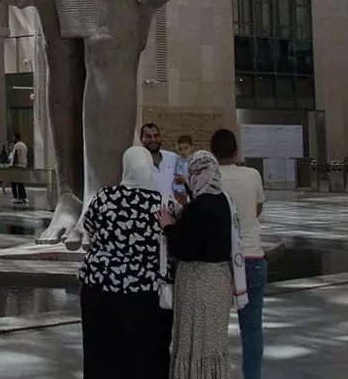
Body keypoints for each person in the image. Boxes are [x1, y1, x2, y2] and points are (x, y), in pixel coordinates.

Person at [78, 146, 171, 378]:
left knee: (101, 353)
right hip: (146, 292)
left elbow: (89, 228)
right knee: (144, 357)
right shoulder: (163, 203)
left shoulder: (105, 197)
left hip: (100, 287)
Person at [162, 151, 245, 379]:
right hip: (219, 281)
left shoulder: (198, 208)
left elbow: (185, 250)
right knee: (213, 343)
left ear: (194, 174)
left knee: (194, 342)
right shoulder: (225, 201)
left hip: (197, 284)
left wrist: (168, 226)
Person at [212, 129, 265, 379]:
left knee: (215, 328)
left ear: (212, 152)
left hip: (220, 261)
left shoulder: (209, 178)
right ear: (236, 150)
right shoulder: (252, 175)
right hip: (251, 255)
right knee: (252, 328)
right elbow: (257, 209)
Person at [140, 123, 183, 201]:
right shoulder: (138, 161)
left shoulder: (173, 157)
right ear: (141, 139)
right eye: (148, 137)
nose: (153, 140)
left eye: (156, 136)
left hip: (173, 207)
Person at [10, 132, 29, 204]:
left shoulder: (17, 145)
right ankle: (23, 197)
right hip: (23, 165)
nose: (13, 139)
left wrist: (13, 165)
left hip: (18, 166)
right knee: (21, 182)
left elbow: (16, 156)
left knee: (14, 182)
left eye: (13, 137)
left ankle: (17, 197)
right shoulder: (24, 145)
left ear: (15, 137)